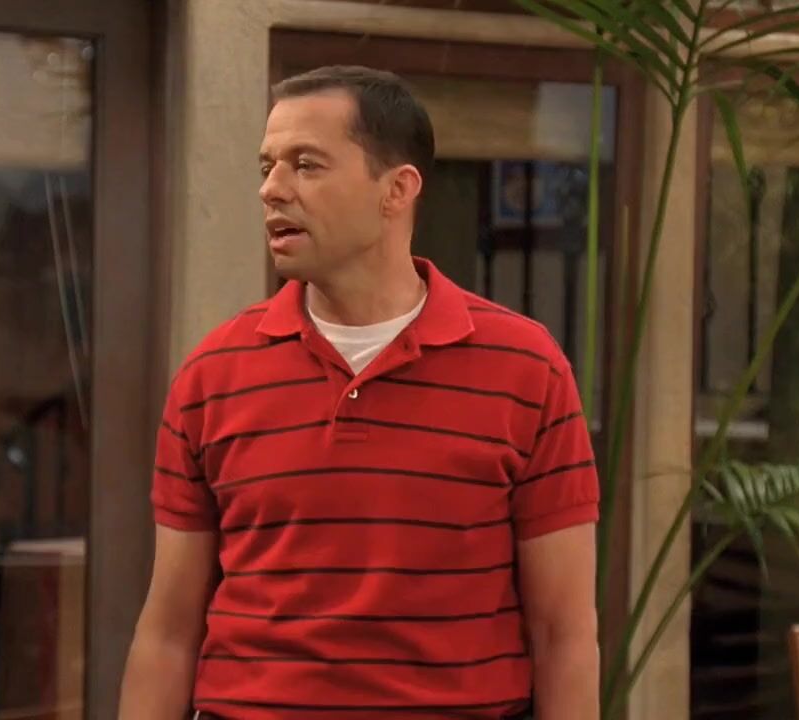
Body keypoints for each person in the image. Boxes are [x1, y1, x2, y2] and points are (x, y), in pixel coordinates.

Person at [119, 65, 600, 720]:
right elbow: (168, 632)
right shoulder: (213, 374)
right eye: (267, 165)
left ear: (397, 190)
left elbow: (564, 634)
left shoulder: (526, 369)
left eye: (306, 165)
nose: (271, 188)